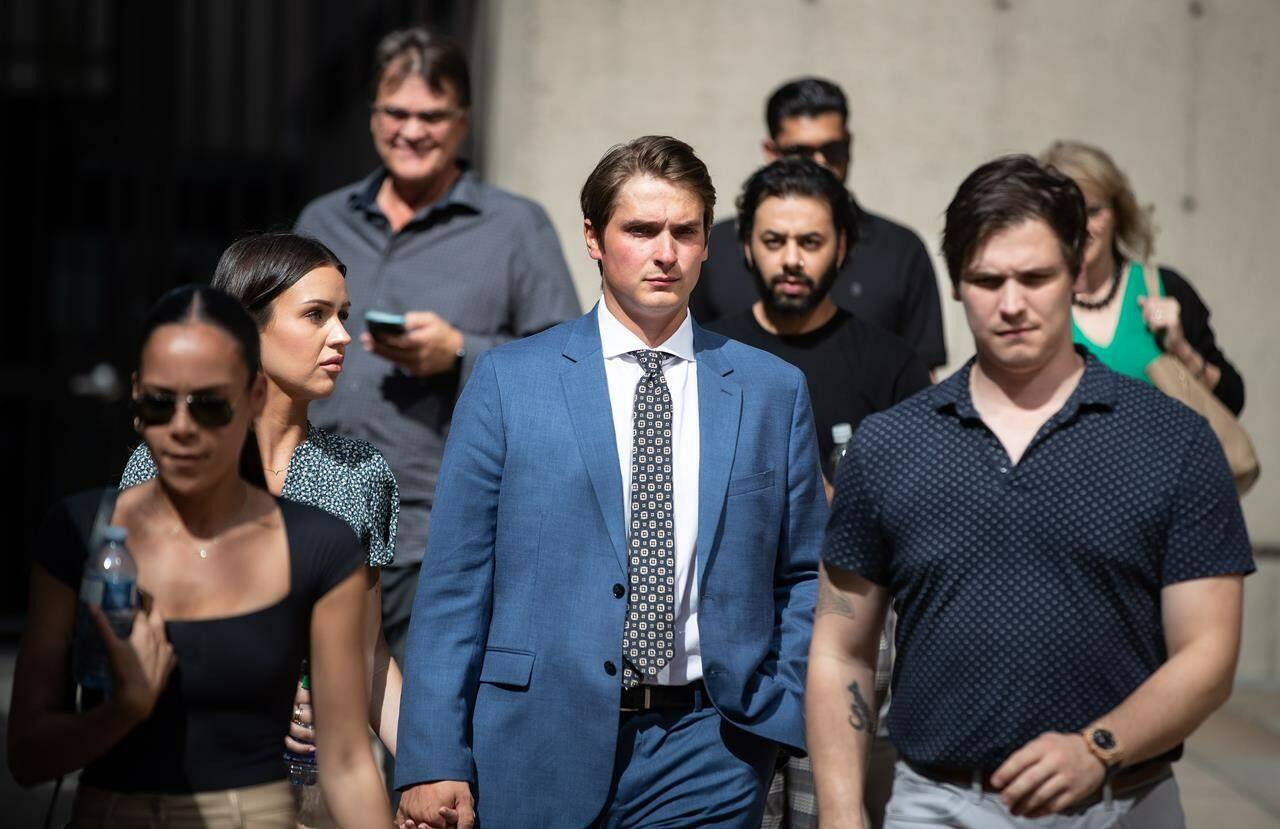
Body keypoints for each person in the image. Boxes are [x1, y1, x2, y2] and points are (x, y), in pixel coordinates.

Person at [393, 135, 826, 828]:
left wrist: (778, 698)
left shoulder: (772, 391)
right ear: (593, 237)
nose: (666, 252)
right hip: (534, 741)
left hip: (710, 745)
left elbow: (806, 571)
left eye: (686, 231)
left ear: (708, 242)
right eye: (641, 230)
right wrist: (432, 755)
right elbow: (454, 584)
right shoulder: (510, 381)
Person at [807, 155, 1253, 828]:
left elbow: (1209, 654)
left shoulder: (1174, 441)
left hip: (1123, 801)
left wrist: (1099, 747)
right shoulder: (888, 445)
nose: (1011, 303)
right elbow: (841, 647)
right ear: (957, 284)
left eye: (1035, 276)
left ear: (1078, 274)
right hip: (939, 805)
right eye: (987, 279)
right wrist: (842, 816)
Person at [8, 286, 393, 827]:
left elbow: (349, 764)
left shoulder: (319, 546)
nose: (183, 427)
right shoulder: (80, 532)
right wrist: (126, 709)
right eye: (160, 404)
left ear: (253, 396)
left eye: (210, 405)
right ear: (136, 400)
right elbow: (26, 757)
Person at [294, 31, 581, 740]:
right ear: (372, 115)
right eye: (396, 111)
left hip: (437, 533)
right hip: (313, 520)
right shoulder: (322, 221)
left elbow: (568, 367)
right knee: (315, 742)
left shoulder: (514, 225)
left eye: (433, 115)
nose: (411, 131)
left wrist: (462, 353)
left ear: (464, 121)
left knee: (427, 741)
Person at [118, 233, 403, 818]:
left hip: (317, 792)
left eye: (343, 315)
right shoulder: (170, 459)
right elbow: (127, 644)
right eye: (317, 315)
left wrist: (434, 770)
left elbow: (370, 659)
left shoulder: (360, 472)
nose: (343, 335)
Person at [708, 157, 928, 829]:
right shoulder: (711, 354)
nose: (791, 260)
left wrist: (843, 497)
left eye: (810, 242)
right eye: (774, 242)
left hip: (849, 630)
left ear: (843, 248)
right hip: (729, 635)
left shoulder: (890, 365)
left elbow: (922, 511)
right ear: (746, 246)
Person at [691, 77, 947, 372]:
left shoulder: (899, 249)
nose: (820, 163)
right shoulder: (715, 248)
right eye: (800, 151)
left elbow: (921, 381)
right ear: (771, 152)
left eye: (832, 150)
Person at [1040, 140, 1244, 414]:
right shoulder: (1037, 301)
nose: (1082, 227)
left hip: (1167, 456)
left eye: (1093, 211)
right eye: (1067, 213)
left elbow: (1231, 401)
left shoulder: (1163, 288)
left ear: (1118, 214)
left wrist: (1181, 350)